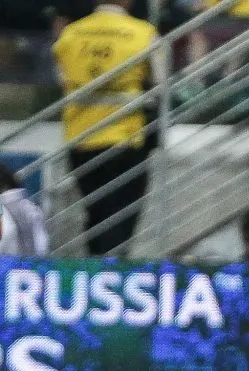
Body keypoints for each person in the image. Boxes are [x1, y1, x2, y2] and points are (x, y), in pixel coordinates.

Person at [52, 0, 164, 256]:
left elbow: (61, 79)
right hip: (125, 137)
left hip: (80, 137)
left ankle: (97, 267)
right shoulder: (143, 32)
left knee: (95, 212)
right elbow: (160, 83)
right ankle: (112, 272)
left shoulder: (70, 33)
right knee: (122, 215)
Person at [0, 164, 50, 256]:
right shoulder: (30, 206)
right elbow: (43, 241)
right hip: (33, 264)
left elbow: (7, 234)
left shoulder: (3, 207)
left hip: (9, 264)